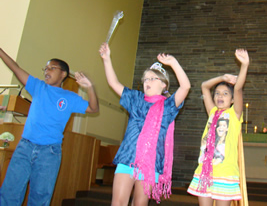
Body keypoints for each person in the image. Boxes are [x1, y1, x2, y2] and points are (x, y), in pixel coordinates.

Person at [0, 48, 99, 206]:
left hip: (49, 152)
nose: (47, 71)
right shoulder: (38, 87)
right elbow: (15, 67)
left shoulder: (70, 97)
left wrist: (90, 88)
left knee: (40, 197)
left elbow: (94, 109)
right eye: (45, 68)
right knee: (10, 192)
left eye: (52, 68)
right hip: (25, 147)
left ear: (63, 74)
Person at [99, 43, 190, 206]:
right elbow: (114, 83)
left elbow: (185, 87)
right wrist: (106, 59)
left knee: (139, 204)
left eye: (152, 78)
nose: (147, 81)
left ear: (163, 85)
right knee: (118, 202)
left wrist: (173, 63)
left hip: (151, 162)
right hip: (128, 157)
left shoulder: (168, 107)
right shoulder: (135, 99)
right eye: (145, 78)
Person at [187, 49, 249, 206]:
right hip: (204, 172)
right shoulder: (212, 112)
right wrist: (222, 78)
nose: (220, 96)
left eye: (225, 94)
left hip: (225, 173)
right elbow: (204, 86)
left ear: (233, 100)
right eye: (218, 93)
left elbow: (238, 88)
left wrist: (244, 66)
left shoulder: (234, 115)